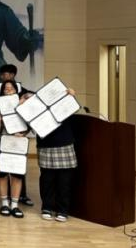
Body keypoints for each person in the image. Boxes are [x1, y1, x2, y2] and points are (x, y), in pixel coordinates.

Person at [38, 88, 79, 223]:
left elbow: (75, 109)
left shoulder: (64, 104)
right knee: (47, 180)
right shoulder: (39, 107)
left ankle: (63, 210)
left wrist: (71, 97)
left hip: (64, 144)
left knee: (64, 181)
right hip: (46, 145)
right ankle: (47, 208)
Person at [0, 80, 26, 218]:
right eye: (6, 89)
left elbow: (30, 124)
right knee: (3, 173)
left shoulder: (23, 105)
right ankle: (4, 203)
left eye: (11, 88)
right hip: (3, 141)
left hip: (19, 142)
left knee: (17, 173)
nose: (8, 91)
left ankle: (14, 204)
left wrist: (24, 133)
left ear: (16, 91)